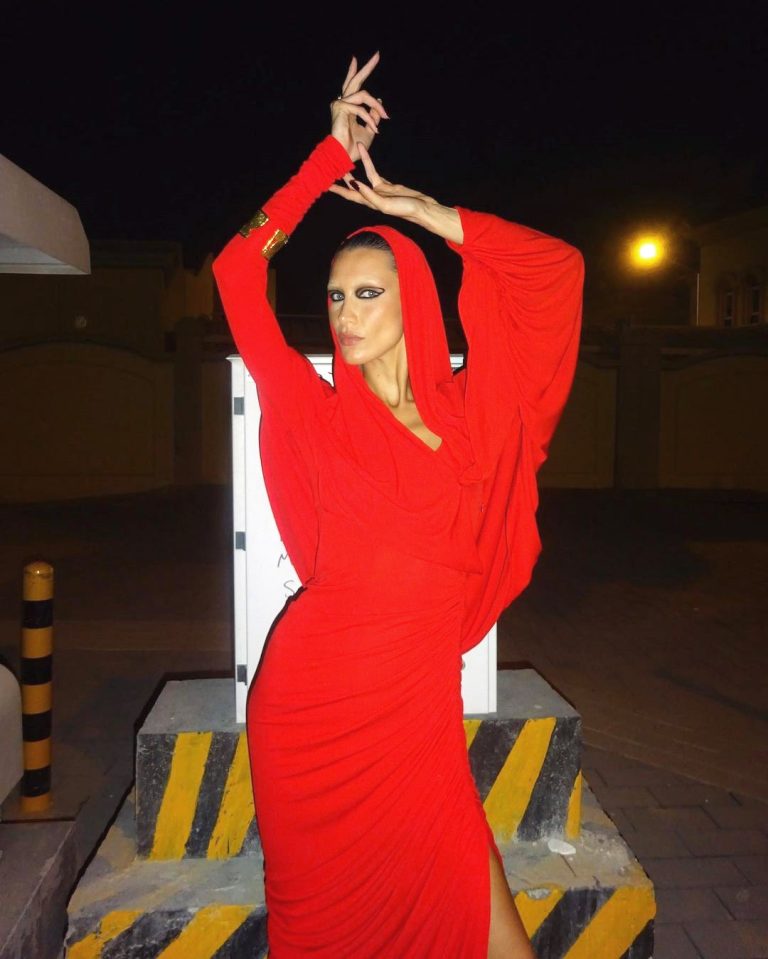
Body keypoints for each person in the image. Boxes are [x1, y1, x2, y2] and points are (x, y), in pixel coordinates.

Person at [213, 52, 583, 959]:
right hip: (311, 714)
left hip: (416, 719)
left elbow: (557, 271)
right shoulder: (314, 412)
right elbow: (234, 270)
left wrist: (428, 214)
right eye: (336, 296)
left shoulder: (473, 416)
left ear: (411, 298)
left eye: (367, 293)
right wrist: (322, 164)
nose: (345, 312)